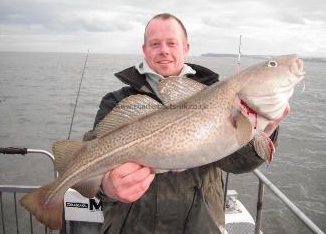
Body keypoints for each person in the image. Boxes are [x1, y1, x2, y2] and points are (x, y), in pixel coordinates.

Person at [84, 13, 286, 234]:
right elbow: (91, 160)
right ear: (145, 50)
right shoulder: (117, 101)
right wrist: (106, 187)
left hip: (200, 227)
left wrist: (266, 129)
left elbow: (237, 164)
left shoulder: (218, 97)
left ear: (186, 48)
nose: (164, 50)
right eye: (155, 44)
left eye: (172, 43)